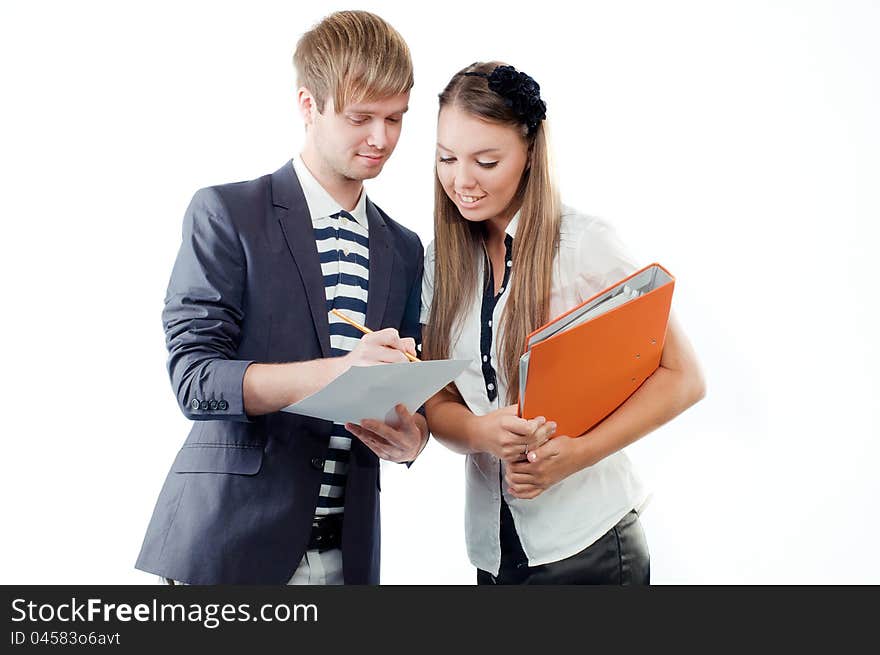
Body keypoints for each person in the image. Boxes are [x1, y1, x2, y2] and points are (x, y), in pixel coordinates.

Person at [135, 10, 427, 585]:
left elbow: (406, 391)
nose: (382, 139)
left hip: (349, 556)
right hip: (229, 553)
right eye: (360, 117)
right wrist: (338, 374)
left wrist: (410, 439)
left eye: (396, 118)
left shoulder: (404, 247)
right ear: (309, 104)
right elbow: (196, 381)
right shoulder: (227, 214)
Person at [422, 62, 706, 584]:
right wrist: (480, 431)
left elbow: (684, 378)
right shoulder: (438, 263)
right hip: (494, 552)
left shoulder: (584, 245)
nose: (461, 181)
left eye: (486, 160)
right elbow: (437, 401)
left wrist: (575, 455)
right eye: (446, 158)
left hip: (590, 544)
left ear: (530, 154)